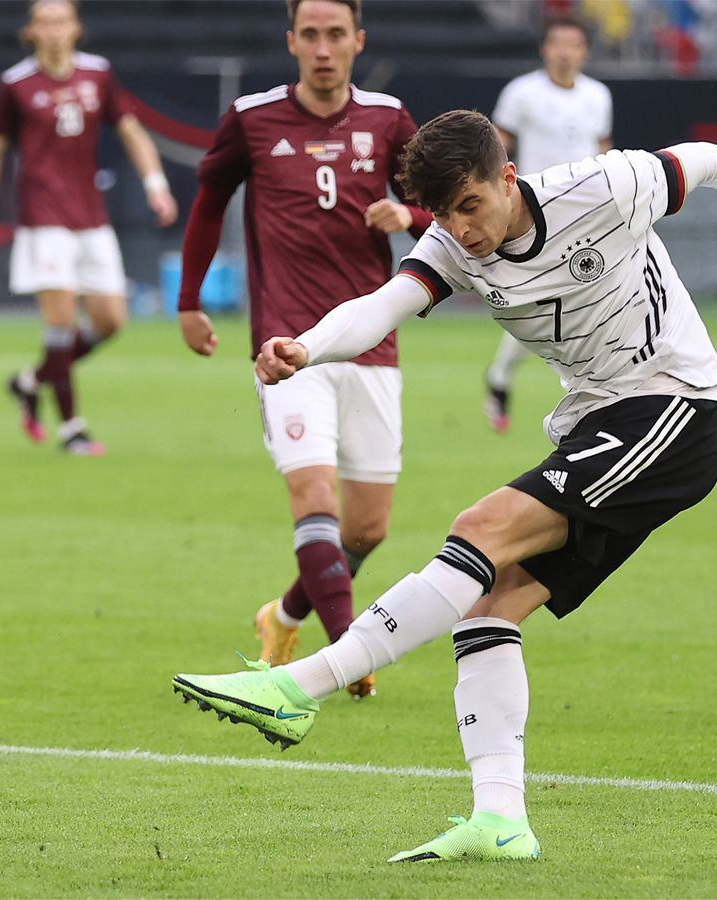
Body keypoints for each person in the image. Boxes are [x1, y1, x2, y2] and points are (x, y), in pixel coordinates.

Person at [172, 109, 717, 862]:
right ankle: (501, 821)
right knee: (489, 605)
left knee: (480, 528)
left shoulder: (606, 185)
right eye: (445, 212)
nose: (461, 226)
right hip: (602, 423)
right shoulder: (452, 242)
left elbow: (708, 158)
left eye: (471, 205)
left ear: (507, 178)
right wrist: (308, 346)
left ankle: (298, 690)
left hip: (673, 405)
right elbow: (383, 307)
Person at [176, 0, 429, 698]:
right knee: (312, 495)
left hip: (370, 345)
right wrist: (189, 299)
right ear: (291, 41)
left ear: (358, 41)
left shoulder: (388, 118)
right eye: (310, 35)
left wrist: (409, 214)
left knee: (367, 528)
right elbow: (209, 202)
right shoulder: (253, 118)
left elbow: (443, 207)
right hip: (286, 346)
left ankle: (283, 614)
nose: (323, 48)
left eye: (336, 35)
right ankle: (349, 654)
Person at [0, 0, 177, 456]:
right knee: (60, 322)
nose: (54, 29)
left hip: (91, 217)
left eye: (62, 21)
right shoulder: (16, 83)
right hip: (43, 219)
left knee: (111, 320)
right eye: (45, 22)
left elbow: (133, 132)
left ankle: (30, 382)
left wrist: (156, 185)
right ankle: (72, 429)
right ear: (31, 31)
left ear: (77, 28)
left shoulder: (98, 74)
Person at [482, 14, 614, 433]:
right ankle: (508, 377)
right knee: (542, 305)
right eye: (557, 43)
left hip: (585, 216)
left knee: (587, 306)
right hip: (533, 215)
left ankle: (586, 394)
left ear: (584, 51)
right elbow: (496, 150)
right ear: (545, 48)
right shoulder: (522, 93)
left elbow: (605, 153)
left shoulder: (598, 96)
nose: (564, 52)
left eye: (573, 44)